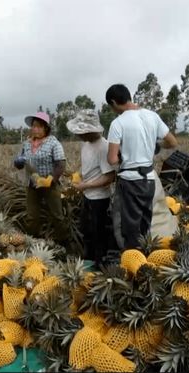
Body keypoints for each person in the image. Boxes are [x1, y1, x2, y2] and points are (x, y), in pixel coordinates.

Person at [105, 83, 178, 249]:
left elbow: (111, 160)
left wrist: (120, 156)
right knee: (146, 223)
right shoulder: (152, 116)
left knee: (130, 227)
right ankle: (148, 256)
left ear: (114, 102)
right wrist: (155, 147)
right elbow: (172, 142)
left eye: (111, 106)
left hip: (130, 182)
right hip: (149, 179)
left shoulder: (118, 123)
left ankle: (134, 261)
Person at [66, 110, 117, 266]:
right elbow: (88, 169)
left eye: (81, 132)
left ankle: (99, 264)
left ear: (90, 130)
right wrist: (77, 177)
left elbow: (110, 177)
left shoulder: (104, 147)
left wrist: (85, 185)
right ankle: (89, 260)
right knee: (86, 231)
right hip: (88, 196)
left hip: (100, 199)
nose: (78, 135)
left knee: (98, 233)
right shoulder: (86, 144)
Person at [13, 112, 70, 247]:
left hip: (50, 184)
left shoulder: (53, 143)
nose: (35, 129)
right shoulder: (26, 144)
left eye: (39, 126)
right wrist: (18, 162)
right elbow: (19, 164)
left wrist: (51, 179)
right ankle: (32, 242)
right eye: (34, 126)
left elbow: (60, 164)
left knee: (57, 216)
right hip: (32, 185)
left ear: (46, 128)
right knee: (32, 216)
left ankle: (64, 244)